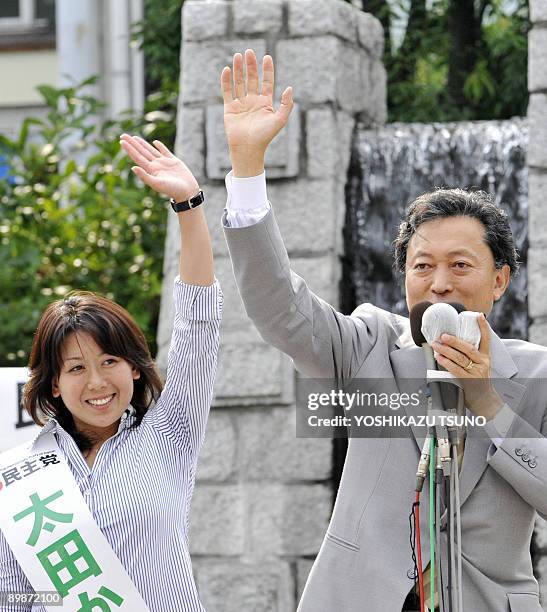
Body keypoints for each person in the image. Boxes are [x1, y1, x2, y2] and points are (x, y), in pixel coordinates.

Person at [220, 49, 547, 612]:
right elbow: (279, 306)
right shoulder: (368, 347)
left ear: (500, 280)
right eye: (422, 266)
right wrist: (247, 170)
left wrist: (488, 402)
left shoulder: (537, 373)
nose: (439, 283)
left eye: (460, 265)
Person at [0, 134, 222, 611]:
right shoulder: (17, 476)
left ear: (136, 369)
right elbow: (11, 594)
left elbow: (198, 324)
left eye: (109, 362)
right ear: (54, 382)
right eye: (77, 368)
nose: (97, 383)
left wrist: (189, 205)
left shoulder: (170, 433)